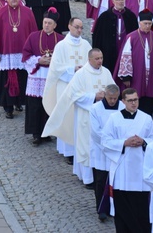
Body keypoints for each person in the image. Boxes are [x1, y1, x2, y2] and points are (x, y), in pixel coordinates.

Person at [43, 49, 114, 186]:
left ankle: (103, 175)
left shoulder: (106, 72)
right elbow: (74, 95)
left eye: (101, 58)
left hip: (103, 116)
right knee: (86, 147)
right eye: (97, 58)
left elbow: (113, 89)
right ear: (89, 59)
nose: (100, 61)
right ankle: (88, 178)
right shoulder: (81, 75)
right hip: (85, 117)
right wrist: (94, 96)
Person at [102, 88, 153, 232]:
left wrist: (144, 141)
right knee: (123, 212)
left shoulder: (146, 118)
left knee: (141, 211)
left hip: (141, 174)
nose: (134, 103)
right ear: (123, 102)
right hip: (122, 173)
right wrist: (124, 143)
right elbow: (105, 141)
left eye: (136, 100)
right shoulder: (114, 119)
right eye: (130, 100)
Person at [0, 0, 38, 119]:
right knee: (7, 81)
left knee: (22, 79)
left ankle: (19, 102)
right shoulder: (0, 13)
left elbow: (33, 33)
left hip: (23, 54)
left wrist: (34, 51)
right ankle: (8, 108)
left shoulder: (28, 12)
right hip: (6, 54)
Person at [43, 17, 92, 162]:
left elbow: (92, 63)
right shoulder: (61, 46)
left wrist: (84, 70)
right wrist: (73, 69)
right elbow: (55, 68)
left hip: (82, 88)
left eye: (81, 27)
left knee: (81, 119)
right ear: (69, 26)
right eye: (76, 27)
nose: (79, 30)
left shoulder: (86, 45)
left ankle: (80, 147)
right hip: (65, 86)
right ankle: (68, 151)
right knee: (67, 118)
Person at [23, 8, 64, 145]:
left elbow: (64, 59)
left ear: (55, 25)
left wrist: (53, 61)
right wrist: (38, 61)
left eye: (49, 23)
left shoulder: (61, 40)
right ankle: (36, 134)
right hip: (37, 75)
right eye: (45, 22)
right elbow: (26, 55)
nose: (46, 25)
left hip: (52, 77)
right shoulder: (33, 36)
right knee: (35, 106)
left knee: (50, 104)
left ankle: (48, 133)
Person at [115, 9, 153, 116]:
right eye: (145, 23)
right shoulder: (132, 37)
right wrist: (126, 77)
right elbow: (125, 57)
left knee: (150, 103)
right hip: (137, 76)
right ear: (139, 23)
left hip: (152, 76)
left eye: (149, 24)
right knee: (135, 101)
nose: (147, 26)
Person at [90, 84, 124, 221]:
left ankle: (114, 207)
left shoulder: (122, 107)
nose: (112, 101)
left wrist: (116, 145)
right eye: (110, 98)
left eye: (115, 98)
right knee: (100, 180)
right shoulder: (95, 108)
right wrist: (109, 144)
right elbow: (95, 131)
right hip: (100, 150)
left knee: (116, 180)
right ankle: (101, 209)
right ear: (104, 95)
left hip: (116, 150)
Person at [93, 0, 139, 75]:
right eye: (118, 0)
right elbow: (97, 38)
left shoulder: (131, 16)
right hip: (108, 53)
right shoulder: (104, 17)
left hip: (126, 51)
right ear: (113, 1)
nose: (121, 2)